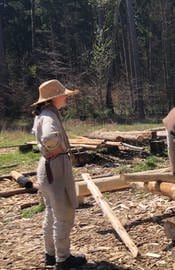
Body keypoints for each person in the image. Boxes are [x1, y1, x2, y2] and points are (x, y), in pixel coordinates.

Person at [31, 80, 87, 269]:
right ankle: (63, 259)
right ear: (54, 97)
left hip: (48, 168)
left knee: (52, 212)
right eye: (63, 95)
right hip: (55, 168)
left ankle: (51, 254)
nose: (66, 97)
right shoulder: (48, 116)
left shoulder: (44, 113)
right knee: (64, 214)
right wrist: (56, 149)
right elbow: (49, 138)